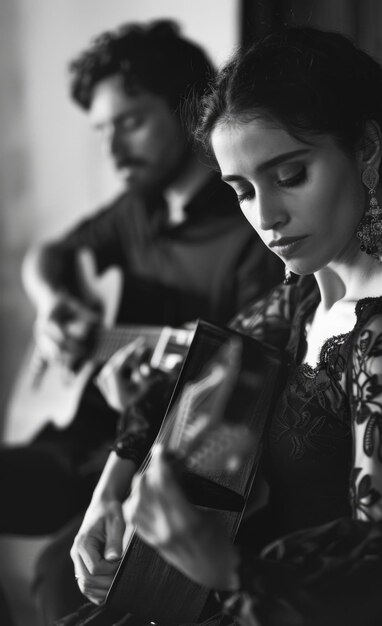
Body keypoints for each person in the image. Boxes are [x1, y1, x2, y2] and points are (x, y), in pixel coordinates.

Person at [63, 25, 382, 626]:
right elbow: (196, 372)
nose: (267, 216)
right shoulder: (312, 286)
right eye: (242, 190)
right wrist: (110, 491)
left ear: (366, 149)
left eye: (290, 176)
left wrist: (229, 573)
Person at [0, 19, 283, 626]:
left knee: (61, 578)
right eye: (102, 130)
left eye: (129, 123)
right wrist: (53, 305)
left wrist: (135, 443)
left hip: (158, 462)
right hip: (80, 442)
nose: (113, 150)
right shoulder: (137, 208)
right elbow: (46, 258)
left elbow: (237, 393)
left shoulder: (254, 229)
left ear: (188, 111)